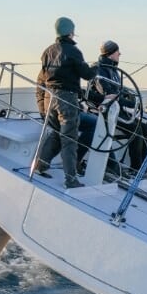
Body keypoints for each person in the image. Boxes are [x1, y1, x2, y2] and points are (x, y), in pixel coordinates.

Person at [34, 17, 95, 189]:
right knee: (69, 138)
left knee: (56, 133)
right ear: (70, 32)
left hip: (48, 99)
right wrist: (96, 67)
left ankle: (40, 165)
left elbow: (44, 78)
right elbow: (87, 74)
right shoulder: (74, 51)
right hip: (66, 99)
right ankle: (71, 180)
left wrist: (41, 107)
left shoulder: (47, 51)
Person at [88, 40, 147, 177]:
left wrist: (130, 98)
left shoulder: (112, 70)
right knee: (136, 130)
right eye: (117, 52)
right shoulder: (99, 69)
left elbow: (119, 91)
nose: (119, 54)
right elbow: (107, 94)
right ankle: (136, 169)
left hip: (116, 110)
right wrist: (128, 103)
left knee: (146, 129)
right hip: (105, 112)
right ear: (110, 54)